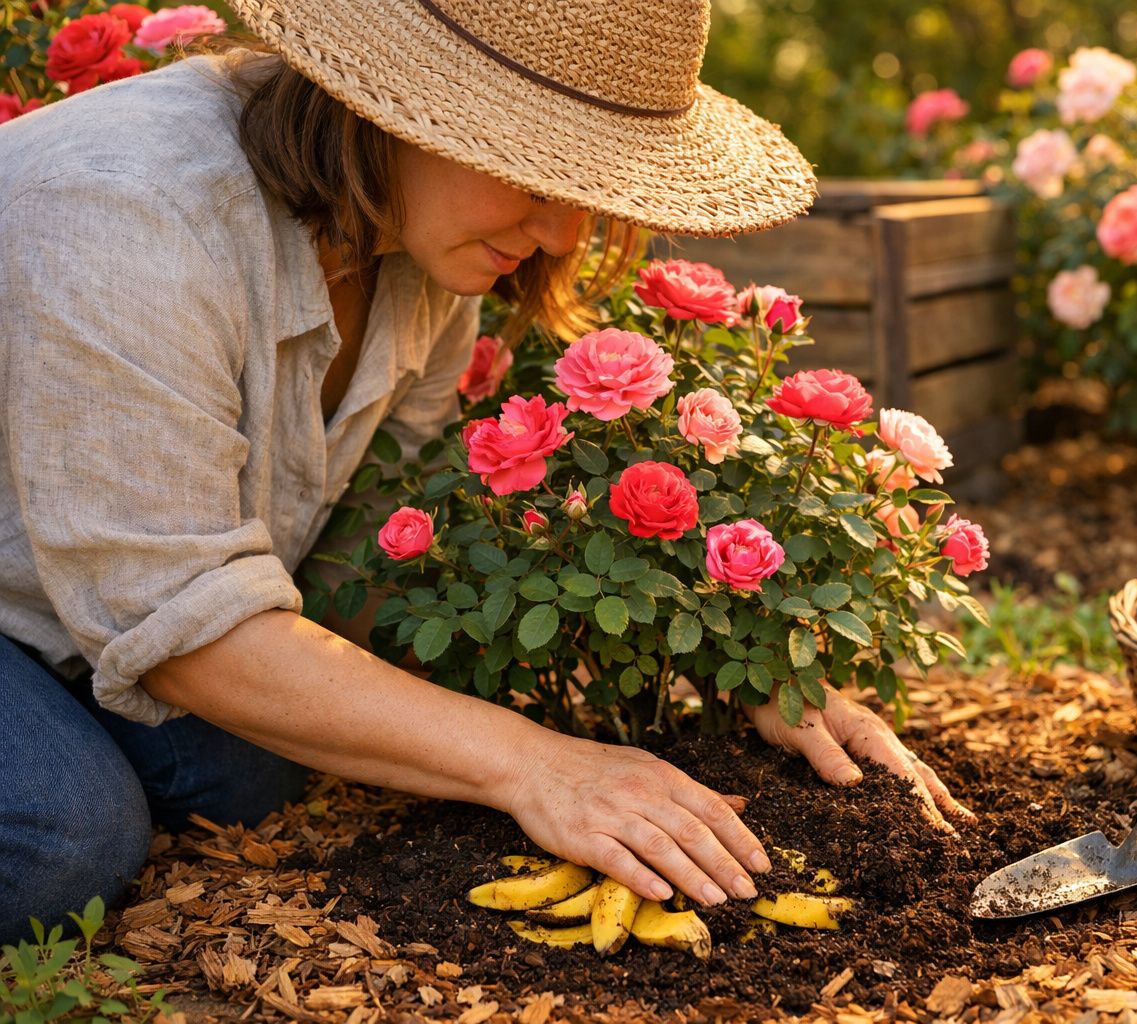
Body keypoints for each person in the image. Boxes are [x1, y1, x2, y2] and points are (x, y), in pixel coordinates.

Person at [0, 0, 971, 942]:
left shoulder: (414, 238)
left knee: (254, 774)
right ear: (393, 101)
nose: (562, 237)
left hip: (76, 601)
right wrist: (537, 766)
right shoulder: (129, 213)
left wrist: (720, 667)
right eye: (538, 178)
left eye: (586, 194)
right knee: (70, 838)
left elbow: (371, 566)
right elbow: (182, 621)